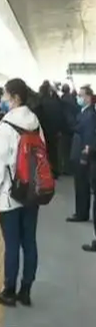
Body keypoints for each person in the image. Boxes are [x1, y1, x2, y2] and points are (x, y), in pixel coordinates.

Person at [0, 78, 44, 307]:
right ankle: (25, 291)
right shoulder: (35, 122)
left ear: (16, 98)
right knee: (29, 242)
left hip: (10, 196)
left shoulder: (7, 125)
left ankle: (9, 291)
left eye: (6, 96)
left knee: (11, 245)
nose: (3, 100)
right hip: (32, 193)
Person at [66, 86, 96, 227]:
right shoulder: (84, 112)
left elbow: (88, 135)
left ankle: (81, 213)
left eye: (81, 95)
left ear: (88, 98)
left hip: (82, 153)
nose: (79, 98)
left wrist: (85, 155)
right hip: (78, 152)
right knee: (80, 184)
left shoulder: (89, 115)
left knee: (82, 184)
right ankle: (80, 211)